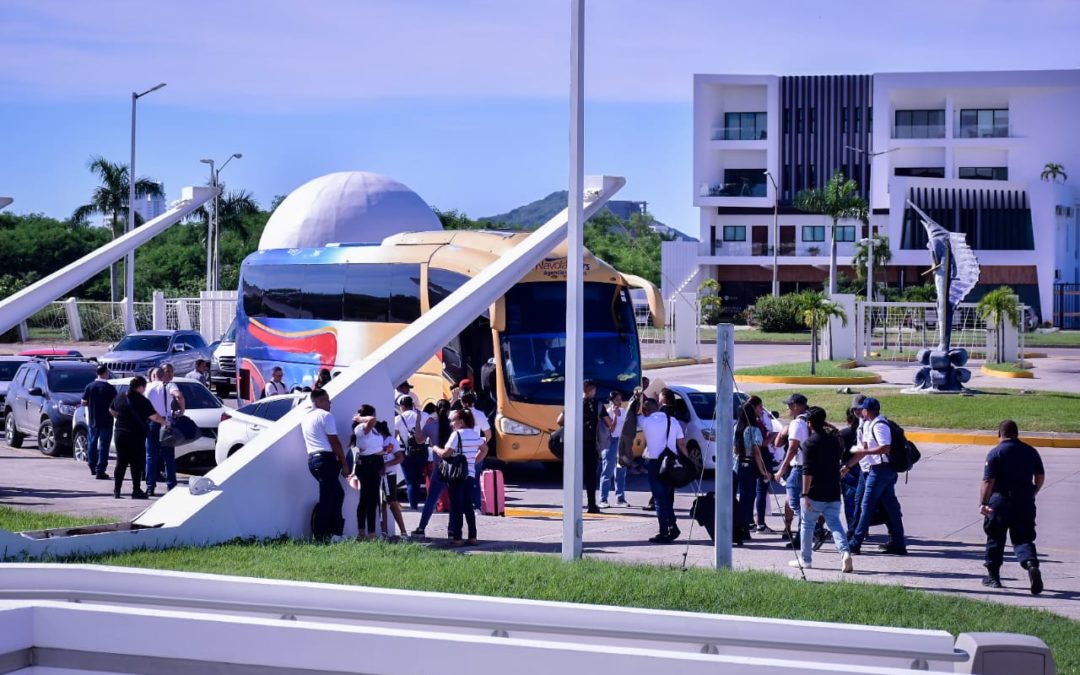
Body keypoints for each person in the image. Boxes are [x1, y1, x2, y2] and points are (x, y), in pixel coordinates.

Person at [980, 420, 1045, 594]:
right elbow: (1040, 475)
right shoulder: (1031, 451)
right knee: (1023, 538)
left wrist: (983, 503)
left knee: (995, 537)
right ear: (1017, 433)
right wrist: (1033, 492)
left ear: (999, 434)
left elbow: (988, 481)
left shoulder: (996, 453)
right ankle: (1031, 565)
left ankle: (993, 577)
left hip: (1000, 502)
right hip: (1024, 501)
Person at [844, 397, 907, 555]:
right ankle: (898, 543)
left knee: (867, 506)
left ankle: (855, 543)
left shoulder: (879, 424)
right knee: (890, 507)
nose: (859, 412)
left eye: (862, 409)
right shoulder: (867, 424)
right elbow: (863, 449)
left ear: (867, 410)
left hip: (881, 470)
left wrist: (865, 452)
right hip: (876, 470)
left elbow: (885, 447)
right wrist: (848, 466)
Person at [796, 407, 853, 572]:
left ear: (809, 423)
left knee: (807, 524)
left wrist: (805, 494)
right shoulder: (835, 441)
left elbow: (807, 471)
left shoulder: (809, 443)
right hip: (833, 490)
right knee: (835, 524)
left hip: (815, 492)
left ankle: (805, 559)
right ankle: (845, 553)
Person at [433, 408, 488, 546]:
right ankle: (473, 536)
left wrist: (434, 448)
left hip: (456, 475)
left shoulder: (456, 435)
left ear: (461, 422)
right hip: (469, 474)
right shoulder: (474, 434)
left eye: (453, 420)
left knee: (456, 506)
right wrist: (474, 460)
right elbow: (485, 449)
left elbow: (446, 453)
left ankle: (457, 538)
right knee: (468, 506)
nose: (451, 423)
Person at [301, 389, 349, 542]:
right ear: (320, 401)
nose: (330, 403)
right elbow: (334, 442)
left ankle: (332, 533)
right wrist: (344, 463)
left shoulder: (306, 417)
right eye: (328, 400)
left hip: (313, 460)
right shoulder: (326, 416)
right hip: (326, 459)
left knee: (334, 495)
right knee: (330, 497)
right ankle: (324, 534)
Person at [556, 380, 610, 514]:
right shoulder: (598, 405)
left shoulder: (573, 403)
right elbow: (608, 423)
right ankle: (592, 505)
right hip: (591, 444)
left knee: (573, 475)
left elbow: (559, 421)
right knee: (590, 476)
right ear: (591, 390)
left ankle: (571, 505)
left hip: (575, 444)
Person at [638, 397, 686, 543]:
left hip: (655, 464)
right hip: (671, 464)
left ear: (646, 410)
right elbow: (681, 444)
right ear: (657, 407)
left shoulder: (645, 421)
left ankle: (664, 531)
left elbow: (632, 416)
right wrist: (688, 463)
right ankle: (673, 526)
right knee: (666, 498)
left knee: (659, 499)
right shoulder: (673, 421)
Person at [109, 375, 164, 500]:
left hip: (120, 433)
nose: (144, 389)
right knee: (136, 463)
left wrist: (121, 418)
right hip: (136, 435)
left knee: (121, 462)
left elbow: (111, 410)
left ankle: (117, 490)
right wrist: (165, 422)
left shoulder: (120, 396)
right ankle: (136, 490)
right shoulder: (142, 400)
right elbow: (154, 417)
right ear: (139, 387)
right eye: (144, 387)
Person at [773, 393, 810, 549]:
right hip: (809, 468)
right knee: (805, 503)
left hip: (798, 468)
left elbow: (793, 448)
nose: (787, 408)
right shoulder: (810, 420)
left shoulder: (797, 423)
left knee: (795, 503)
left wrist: (781, 469)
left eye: (789, 405)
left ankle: (806, 533)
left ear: (796, 406)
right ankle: (804, 535)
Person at [412, 399, 452, 537]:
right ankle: (452, 530)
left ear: (436, 410)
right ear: (449, 410)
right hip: (454, 467)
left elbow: (419, 439)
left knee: (431, 499)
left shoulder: (431, 426)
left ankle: (421, 528)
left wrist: (418, 421)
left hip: (439, 467)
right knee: (454, 499)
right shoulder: (453, 426)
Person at [144, 363, 185, 497]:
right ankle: (171, 485)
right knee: (168, 457)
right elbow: (179, 396)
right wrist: (181, 411)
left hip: (151, 422)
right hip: (165, 423)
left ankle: (150, 486)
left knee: (150, 456)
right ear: (163, 375)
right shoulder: (169, 386)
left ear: (154, 376)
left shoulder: (147, 387)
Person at [734, 401, 768, 542]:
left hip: (736, 465)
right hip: (748, 465)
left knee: (738, 497)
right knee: (747, 498)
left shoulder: (737, 427)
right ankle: (745, 527)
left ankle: (738, 526)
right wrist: (763, 471)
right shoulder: (754, 429)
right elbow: (756, 452)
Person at [350, 404, 386, 539]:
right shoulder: (361, 427)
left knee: (374, 498)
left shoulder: (374, 429)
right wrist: (360, 419)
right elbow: (371, 420)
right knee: (365, 498)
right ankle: (362, 531)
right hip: (367, 464)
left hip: (376, 462)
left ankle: (371, 531)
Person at [394, 394, 430, 510]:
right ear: (412, 404)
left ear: (402, 406)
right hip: (422, 451)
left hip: (406, 453)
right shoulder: (423, 416)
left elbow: (394, 438)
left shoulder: (398, 419)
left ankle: (413, 506)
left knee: (409, 481)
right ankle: (417, 501)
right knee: (418, 479)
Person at [81, 364, 116, 480]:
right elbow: (115, 405)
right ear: (105, 373)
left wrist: (92, 403)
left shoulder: (89, 387)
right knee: (104, 445)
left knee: (92, 443)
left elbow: (83, 402)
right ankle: (100, 470)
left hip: (93, 420)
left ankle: (92, 466)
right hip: (107, 420)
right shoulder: (110, 389)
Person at [748, 396, 778, 533]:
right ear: (754, 407)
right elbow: (762, 443)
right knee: (761, 490)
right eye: (760, 407)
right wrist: (773, 435)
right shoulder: (755, 423)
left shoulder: (749, 421)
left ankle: (751, 521)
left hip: (755, 458)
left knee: (753, 491)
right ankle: (760, 523)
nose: (762, 410)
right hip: (762, 456)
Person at [375, 420, 408, 538]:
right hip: (379, 476)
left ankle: (403, 532)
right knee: (382, 503)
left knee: (392, 502)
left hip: (389, 475)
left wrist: (386, 465)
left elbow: (400, 458)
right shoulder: (376, 442)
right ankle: (384, 532)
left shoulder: (390, 440)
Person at [459, 391, 491, 509]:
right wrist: (482, 443)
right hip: (476, 449)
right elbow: (488, 434)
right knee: (475, 479)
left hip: (461, 450)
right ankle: (476, 506)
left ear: (462, 401)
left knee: (460, 479)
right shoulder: (480, 414)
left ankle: (462, 505)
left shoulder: (457, 414)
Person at [599, 390, 627, 507]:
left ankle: (620, 498)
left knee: (621, 471)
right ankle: (603, 499)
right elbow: (611, 428)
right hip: (611, 441)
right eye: (616, 400)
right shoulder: (608, 412)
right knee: (607, 470)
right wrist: (615, 415)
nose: (619, 402)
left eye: (620, 399)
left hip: (621, 441)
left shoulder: (623, 411)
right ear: (611, 401)